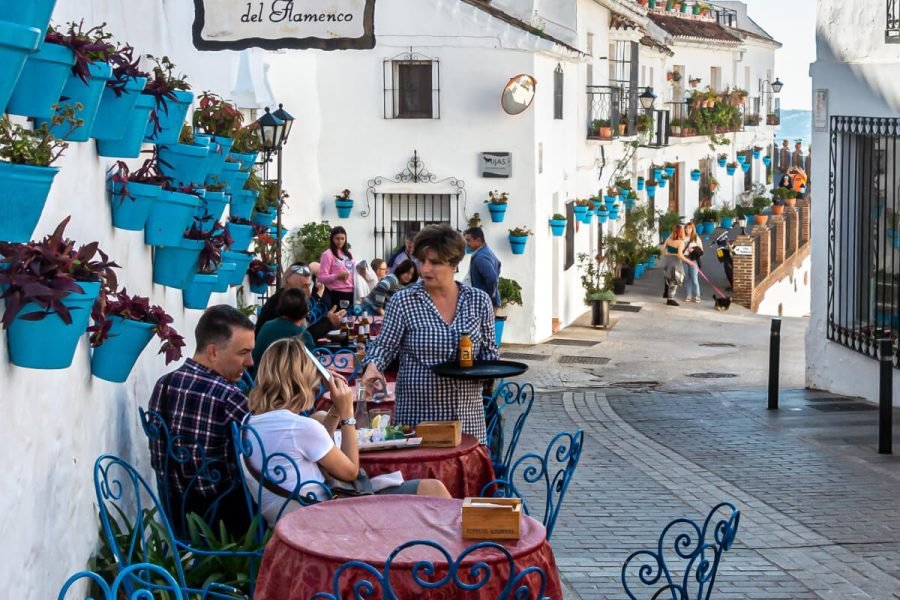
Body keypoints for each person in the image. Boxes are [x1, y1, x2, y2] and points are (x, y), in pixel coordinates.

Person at [246, 337, 450, 524]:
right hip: (330, 517)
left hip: (299, 511)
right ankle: (457, 561)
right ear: (302, 380)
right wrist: (347, 414)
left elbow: (316, 446)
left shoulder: (251, 422)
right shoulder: (299, 427)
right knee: (433, 489)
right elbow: (351, 472)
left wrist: (335, 409)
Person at [362, 224, 499, 442]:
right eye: (421, 261)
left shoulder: (478, 301)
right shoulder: (403, 301)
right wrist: (372, 366)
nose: (425, 269)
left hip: (466, 417)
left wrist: (488, 372)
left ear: (454, 263)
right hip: (418, 418)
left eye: (435, 262)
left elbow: (490, 353)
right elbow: (384, 346)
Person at [147, 305, 255, 534]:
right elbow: (263, 457)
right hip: (224, 525)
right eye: (243, 352)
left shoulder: (163, 384)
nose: (250, 362)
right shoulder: (229, 397)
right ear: (213, 352)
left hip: (174, 515)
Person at [255, 262, 343, 341]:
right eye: (303, 286)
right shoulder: (282, 303)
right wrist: (328, 323)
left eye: (309, 286)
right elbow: (300, 341)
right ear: (287, 283)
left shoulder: (283, 299)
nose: (308, 292)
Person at [252, 288, 316, 373]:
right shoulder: (302, 335)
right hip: (283, 383)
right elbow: (311, 368)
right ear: (305, 311)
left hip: (258, 379)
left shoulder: (267, 325)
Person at [463, 227, 502, 311]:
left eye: (468, 240)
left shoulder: (481, 257)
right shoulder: (485, 252)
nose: (466, 243)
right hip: (483, 303)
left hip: (483, 304)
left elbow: (492, 277)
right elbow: (498, 264)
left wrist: (491, 297)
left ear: (478, 240)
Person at [318, 226, 355, 311]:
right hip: (337, 294)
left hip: (351, 293)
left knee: (350, 322)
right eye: (337, 238)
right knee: (339, 322)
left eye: (342, 238)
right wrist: (337, 276)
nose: (340, 241)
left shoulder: (348, 254)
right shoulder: (327, 254)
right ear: (332, 239)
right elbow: (321, 278)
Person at [660, 225, 693, 306]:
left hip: (668, 262)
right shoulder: (680, 242)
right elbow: (680, 255)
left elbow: (662, 250)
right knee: (675, 281)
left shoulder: (669, 239)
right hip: (676, 263)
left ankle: (668, 295)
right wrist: (689, 261)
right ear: (681, 232)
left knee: (669, 278)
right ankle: (670, 299)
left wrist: (668, 253)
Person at [683, 222, 703, 303]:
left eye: (690, 228)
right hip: (684, 259)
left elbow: (701, 251)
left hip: (693, 260)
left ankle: (697, 296)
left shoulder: (696, 238)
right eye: (686, 228)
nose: (688, 230)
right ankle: (689, 295)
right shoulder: (683, 237)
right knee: (687, 278)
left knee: (694, 278)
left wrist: (693, 250)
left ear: (692, 229)